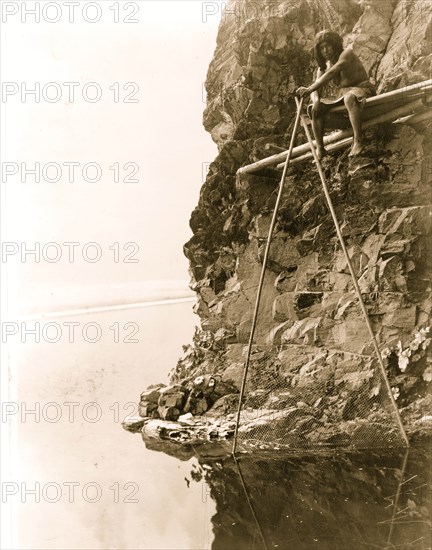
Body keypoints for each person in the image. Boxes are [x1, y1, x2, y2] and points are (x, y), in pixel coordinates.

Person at [297, 30, 375, 159]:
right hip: (343, 95)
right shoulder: (323, 68)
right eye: (321, 48)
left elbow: (333, 72)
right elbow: (317, 87)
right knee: (314, 108)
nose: (325, 50)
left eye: (327, 45)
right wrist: (316, 100)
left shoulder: (346, 54)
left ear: (334, 44)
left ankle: (358, 141)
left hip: (363, 90)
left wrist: (310, 88)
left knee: (350, 97)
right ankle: (321, 148)